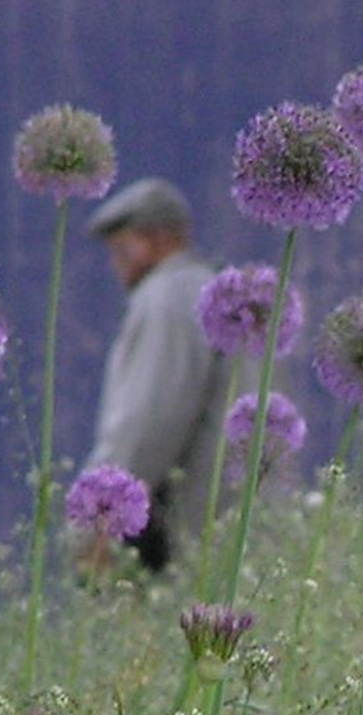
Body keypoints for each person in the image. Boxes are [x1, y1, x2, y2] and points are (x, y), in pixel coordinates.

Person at [80, 177, 227, 572]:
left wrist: (100, 520)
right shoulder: (220, 291)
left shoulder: (165, 298)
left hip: (188, 538)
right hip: (245, 532)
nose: (118, 265)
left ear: (158, 239)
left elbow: (146, 423)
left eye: (123, 249)